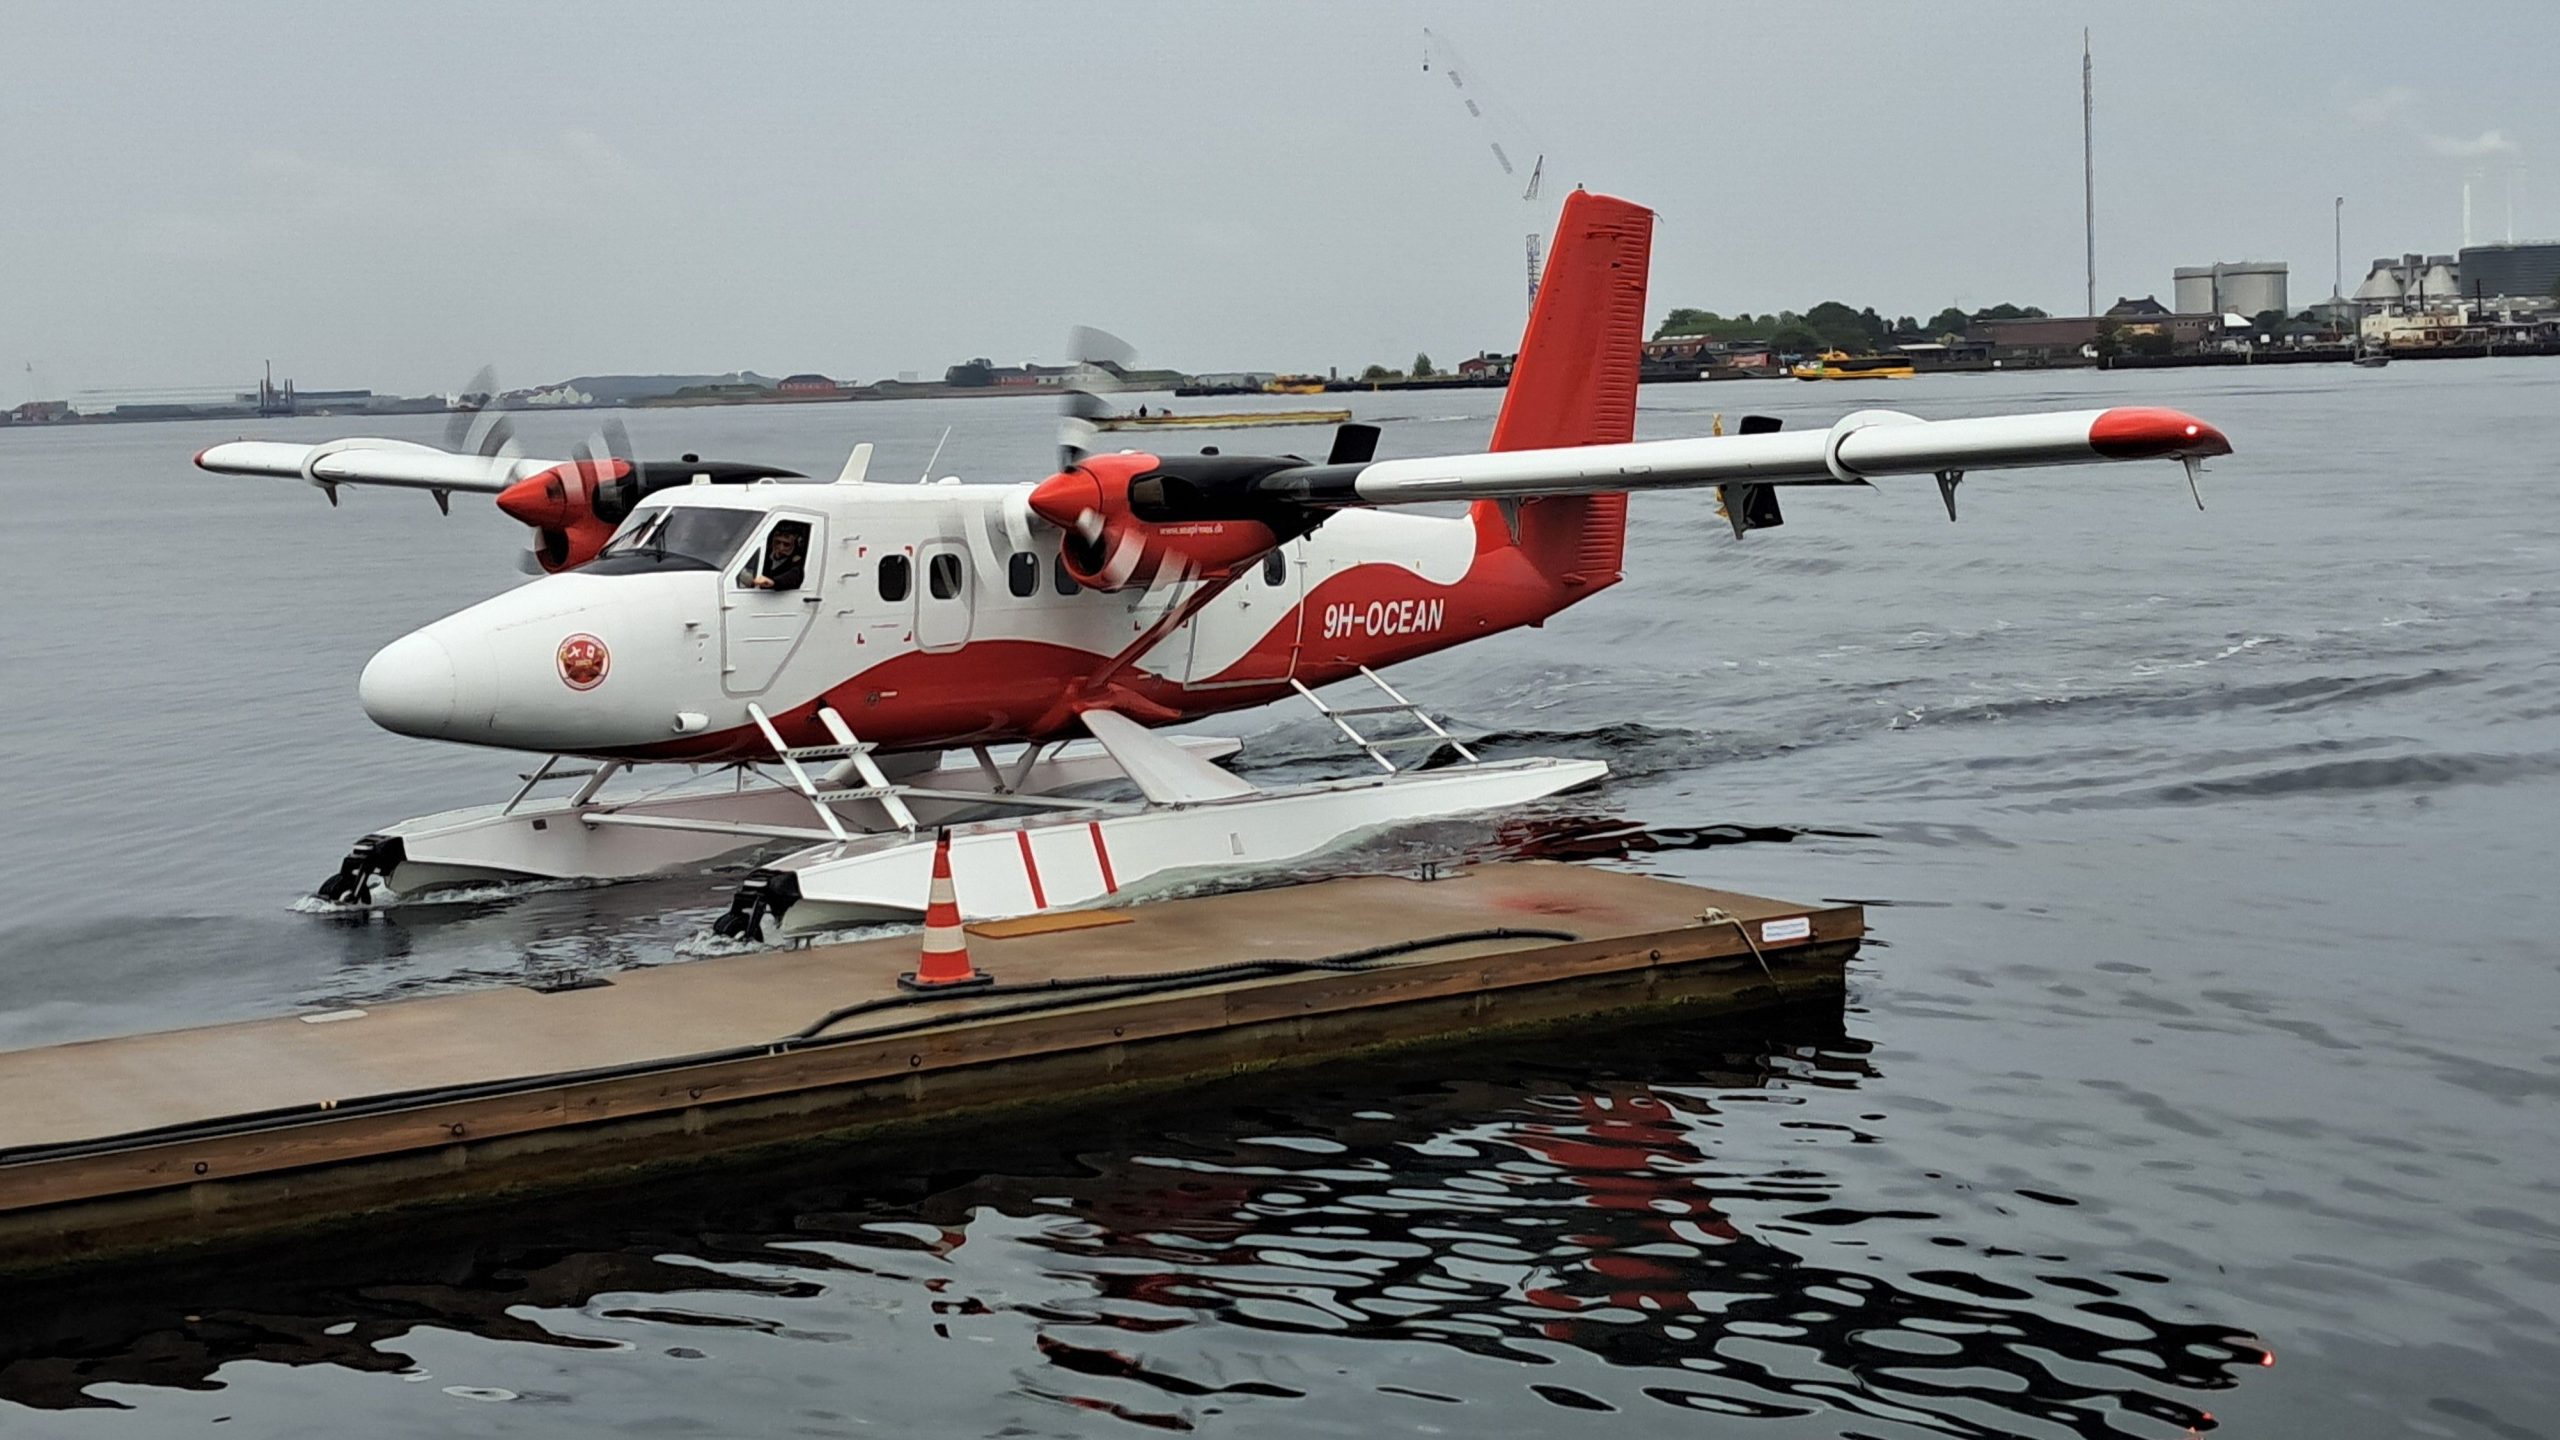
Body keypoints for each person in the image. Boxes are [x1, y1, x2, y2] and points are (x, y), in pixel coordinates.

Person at [750, 524, 807, 591]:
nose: (781, 548)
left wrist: (773, 582)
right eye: (777, 542)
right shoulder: (763, 555)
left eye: (786, 544)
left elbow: (794, 576)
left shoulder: (797, 562)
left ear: (795, 544)